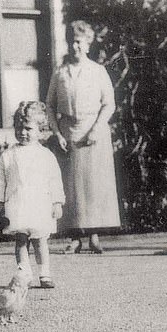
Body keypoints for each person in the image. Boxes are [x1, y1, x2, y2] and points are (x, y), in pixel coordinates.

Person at [46, 20, 121, 254]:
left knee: (93, 185)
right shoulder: (60, 73)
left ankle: (94, 236)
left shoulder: (98, 71)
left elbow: (109, 104)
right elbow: (49, 105)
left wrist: (96, 129)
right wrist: (56, 132)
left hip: (93, 132)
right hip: (69, 132)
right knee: (71, 186)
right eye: (71, 42)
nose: (74, 47)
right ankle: (74, 237)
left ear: (88, 44)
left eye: (79, 42)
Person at [0, 101, 65, 289]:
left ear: (40, 130)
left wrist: (57, 202)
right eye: (18, 128)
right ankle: (24, 273)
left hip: (39, 205)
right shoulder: (8, 156)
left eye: (28, 128)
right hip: (18, 204)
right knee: (21, 240)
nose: (22, 133)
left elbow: (54, 179)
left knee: (40, 241)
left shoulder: (45, 155)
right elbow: (0, 180)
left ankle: (45, 273)